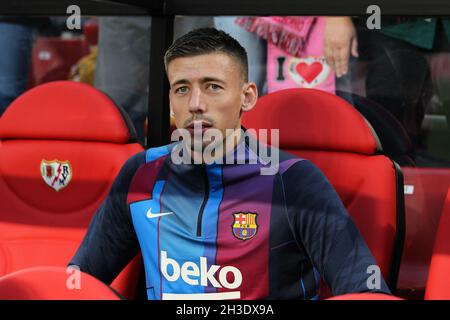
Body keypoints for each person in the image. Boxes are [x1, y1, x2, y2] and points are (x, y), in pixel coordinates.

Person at [69, 27, 390, 300]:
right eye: (182, 89)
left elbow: (366, 290)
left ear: (247, 97)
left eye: (213, 86)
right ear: (170, 102)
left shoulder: (292, 179)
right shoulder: (140, 173)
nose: (196, 104)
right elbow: (80, 282)